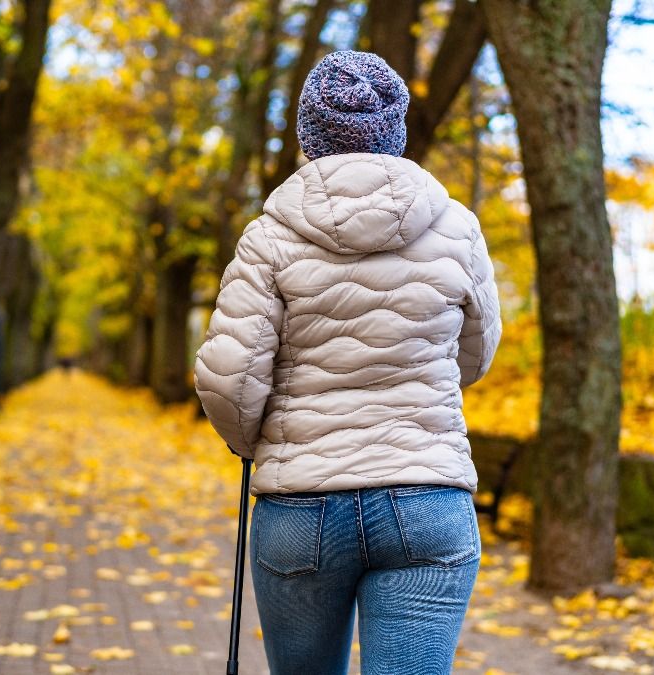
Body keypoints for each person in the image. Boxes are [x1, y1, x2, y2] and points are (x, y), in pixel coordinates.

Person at [193, 50, 502, 675]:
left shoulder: (269, 236)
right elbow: (476, 352)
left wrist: (256, 441)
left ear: (309, 136)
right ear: (397, 131)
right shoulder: (457, 228)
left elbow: (227, 380)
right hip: (428, 500)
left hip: (301, 506)